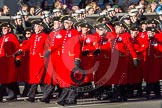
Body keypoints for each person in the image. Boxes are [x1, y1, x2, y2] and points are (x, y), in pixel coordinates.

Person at [15, 20, 48, 102]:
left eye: (36, 26)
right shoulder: (33, 36)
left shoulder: (45, 36)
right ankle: (46, 96)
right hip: (32, 60)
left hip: (40, 59)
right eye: (35, 26)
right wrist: (20, 50)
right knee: (39, 79)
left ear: (41, 27)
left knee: (36, 77)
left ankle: (31, 96)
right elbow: (28, 45)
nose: (35, 27)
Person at [40, 17, 62, 103]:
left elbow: (60, 44)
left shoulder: (63, 33)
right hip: (52, 59)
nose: (55, 25)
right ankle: (46, 97)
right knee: (50, 79)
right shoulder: (52, 33)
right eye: (55, 23)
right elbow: (47, 44)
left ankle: (61, 97)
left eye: (57, 23)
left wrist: (50, 50)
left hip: (60, 59)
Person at [0, 22, 20, 102]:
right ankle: (11, 95)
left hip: (9, 61)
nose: (3, 30)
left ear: (9, 29)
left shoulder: (12, 37)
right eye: (2, 28)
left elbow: (17, 49)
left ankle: (11, 95)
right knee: (4, 79)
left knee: (8, 79)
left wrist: (18, 59)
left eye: (5, 28)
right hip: (2, 61)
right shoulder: (1, 38)